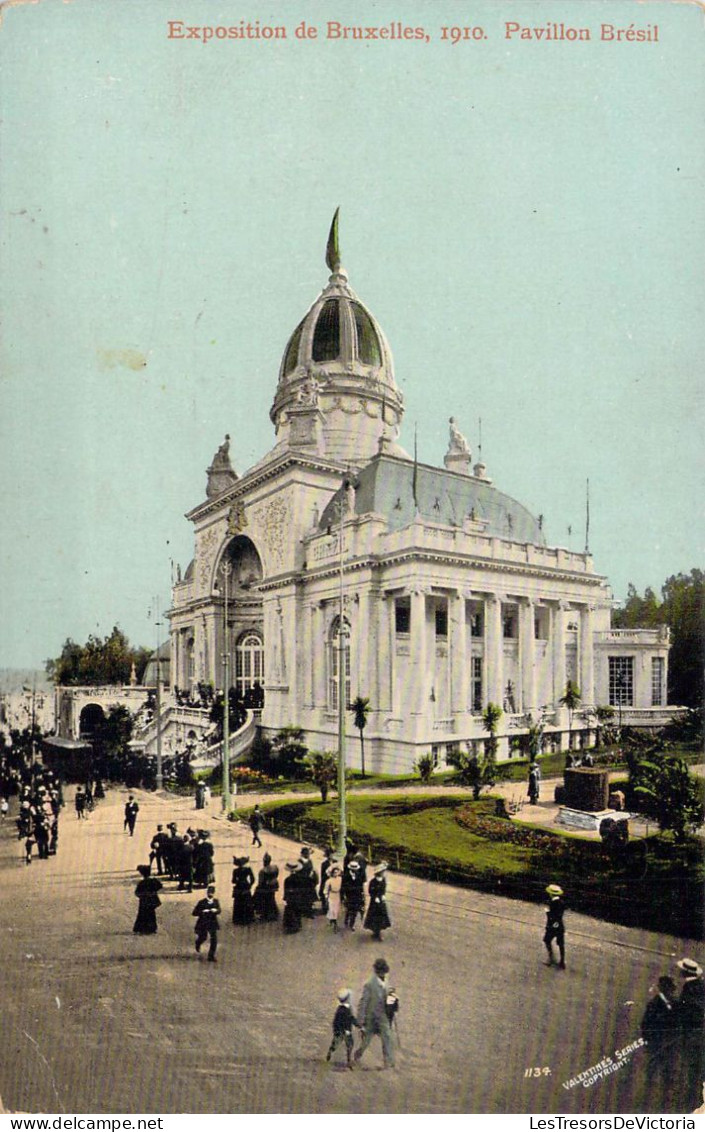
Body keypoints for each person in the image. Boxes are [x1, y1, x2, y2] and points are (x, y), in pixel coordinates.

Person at [640, 975, 678, 1108]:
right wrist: (649, 1041)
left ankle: (665, 1098)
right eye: (669, 989)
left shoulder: (675, 1004)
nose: (671, 992)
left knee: (668, 1072)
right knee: (652, 1070)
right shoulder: (654, 1004)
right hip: (656, 1044)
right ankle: (647, 1097)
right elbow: (645, 1025)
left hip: (669, 1044)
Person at [353, 958, 396, 1069]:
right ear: (377, 971)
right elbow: (363, 1002)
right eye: (381, 971)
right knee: (366, 1040)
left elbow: (388, 994)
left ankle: (388, 1061)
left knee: (387, 1036)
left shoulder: (385, 980)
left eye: (384, 971)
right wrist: (360, 1020)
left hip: (382, 1016)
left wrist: (392, 1000)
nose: (383, 973)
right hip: (371, 1017)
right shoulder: (369, 984)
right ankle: (357, 1054)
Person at [675, 957, 705, 1110]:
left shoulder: (689, 989)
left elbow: (684, 1011)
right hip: (700, 1031)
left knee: (693, 1063)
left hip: (693, 1032)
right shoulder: (701, 985)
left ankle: (693, 1097)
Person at [326, 989, 362, 1069]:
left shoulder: (341, 1008)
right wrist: (355, 1027)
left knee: (337, 1043)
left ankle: (330, 1053)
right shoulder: (345, 1010)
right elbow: (350, 1019)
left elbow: (336, 1021)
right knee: (349, 1044)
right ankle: (348, 1061)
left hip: (341, 1030)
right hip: (344, 1030)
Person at [363, 863, 391, 941]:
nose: (383, 873)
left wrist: (383, 895)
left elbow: (383, 889)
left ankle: (378, 931)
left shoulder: (383, 880)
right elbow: (370, 891)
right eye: (382, 872)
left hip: (381, 901)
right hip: (374, 902)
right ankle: (376, 932)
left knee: (381, 916)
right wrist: (374, 897)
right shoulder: (373, 881)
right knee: (375, 916)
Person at [192, 885, 221, 962]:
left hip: (212, 922)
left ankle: (211, 956)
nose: (210, 894)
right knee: (203, 937)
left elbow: (219, 910)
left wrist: (216, 911)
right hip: (203, 923)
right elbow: (194, 913)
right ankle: (198, 943)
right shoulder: (202, 902)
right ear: (207, 893)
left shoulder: (216, 901)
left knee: (214, 939)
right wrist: (202, 912)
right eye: (209, 892)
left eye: (212, 893)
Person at [133, 864, 162, 935]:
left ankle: (142, 928)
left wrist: (142, 896)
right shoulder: (153, 881)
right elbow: (160, 886)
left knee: (142, 914)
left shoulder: (142, 883)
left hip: (144, 901)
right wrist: (153, 892)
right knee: (151, 914)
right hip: (152, 900)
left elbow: (137, 892)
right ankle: (152, 928)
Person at [543, 883, 566, 969]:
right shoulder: (561, 902)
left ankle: (551, 958)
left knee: (547, 940)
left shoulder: (553, 903)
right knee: (561, 944)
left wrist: (547, 912)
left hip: (553, 926)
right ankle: (562, 961)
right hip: (560, 926)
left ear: (551, 894)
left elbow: (553, 916)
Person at [253, 853, 280, 921]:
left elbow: (260, 882)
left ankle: (265, 914)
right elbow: (277, 875)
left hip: (265, 887)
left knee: (263, 899)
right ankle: (274, 913)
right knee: (271, 898)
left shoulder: (262, 871)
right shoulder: (275, 867)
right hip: (274, 885)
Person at [231, 856, 256, 924]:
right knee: (247, 901)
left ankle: (239, 918)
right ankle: (249, 917)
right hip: (246, 885)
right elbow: (253, 879)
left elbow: (233, 881)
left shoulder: (235, 871)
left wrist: (237, 881)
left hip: (239, 886)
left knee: (238, 902)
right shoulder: (248, 869)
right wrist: (250, 885)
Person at [343, 859, 365, 931]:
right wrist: (344, 895)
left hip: (357, 895)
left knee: (355, 910)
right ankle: (346, 919)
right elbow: (344, 886)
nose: (355, 870)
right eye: (353, 869)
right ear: (350, 869)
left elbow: (361, 885)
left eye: (356, 869)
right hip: (349, 895)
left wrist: (362, 893)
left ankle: (352, 924)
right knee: (349, 909)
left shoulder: (358, 875)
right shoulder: (346, 875)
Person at [283, 862, 303, 934]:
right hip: (297, 896)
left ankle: (291, 926)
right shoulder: (300, 879)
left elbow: (285, 890)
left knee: (290, 911)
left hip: (290, 897)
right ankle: (298, 924)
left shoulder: (287, 879)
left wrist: (285, 898)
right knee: (297, 910)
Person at [324, 864, 342, 932]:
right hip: (331, 895)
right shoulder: (329, 881)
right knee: (332, 909)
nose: (336, 874)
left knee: (336, 910)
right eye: (334, 872)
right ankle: (335, 924)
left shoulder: (340, 879)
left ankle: (334, 921)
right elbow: (325, 890)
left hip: (338, 895)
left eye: (337, 872)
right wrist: (326, 897)